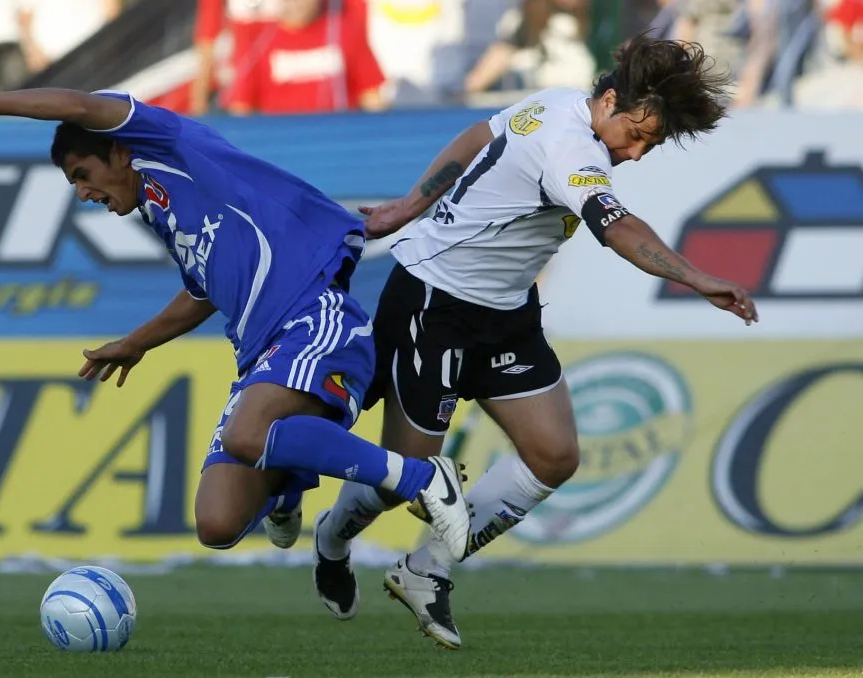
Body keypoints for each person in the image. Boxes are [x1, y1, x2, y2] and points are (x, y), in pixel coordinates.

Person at [310, 34, 759, 649]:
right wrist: (696, 276)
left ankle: (425, 571)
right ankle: (333, 539)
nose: (637, 153)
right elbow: (616, 227)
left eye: (651, 144)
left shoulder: (554, 103)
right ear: (609, 102)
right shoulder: (573, 148)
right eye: (640, 136)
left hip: (505, 313)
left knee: (553, 455)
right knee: (407, 475)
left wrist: (408, 204)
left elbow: (479, 135)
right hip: (432, 301)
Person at [0, 81, 472, 562]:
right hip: (259, 351)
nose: (82, 192)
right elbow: (202, 292)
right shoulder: (158, 207)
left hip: (313, 316)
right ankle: (288, 484)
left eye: (82, 173)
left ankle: (423, 480)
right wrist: (135, 343)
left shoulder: (167, 142)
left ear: (117, 150)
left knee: (250, 435)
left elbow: (77, 105)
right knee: (217, 524)